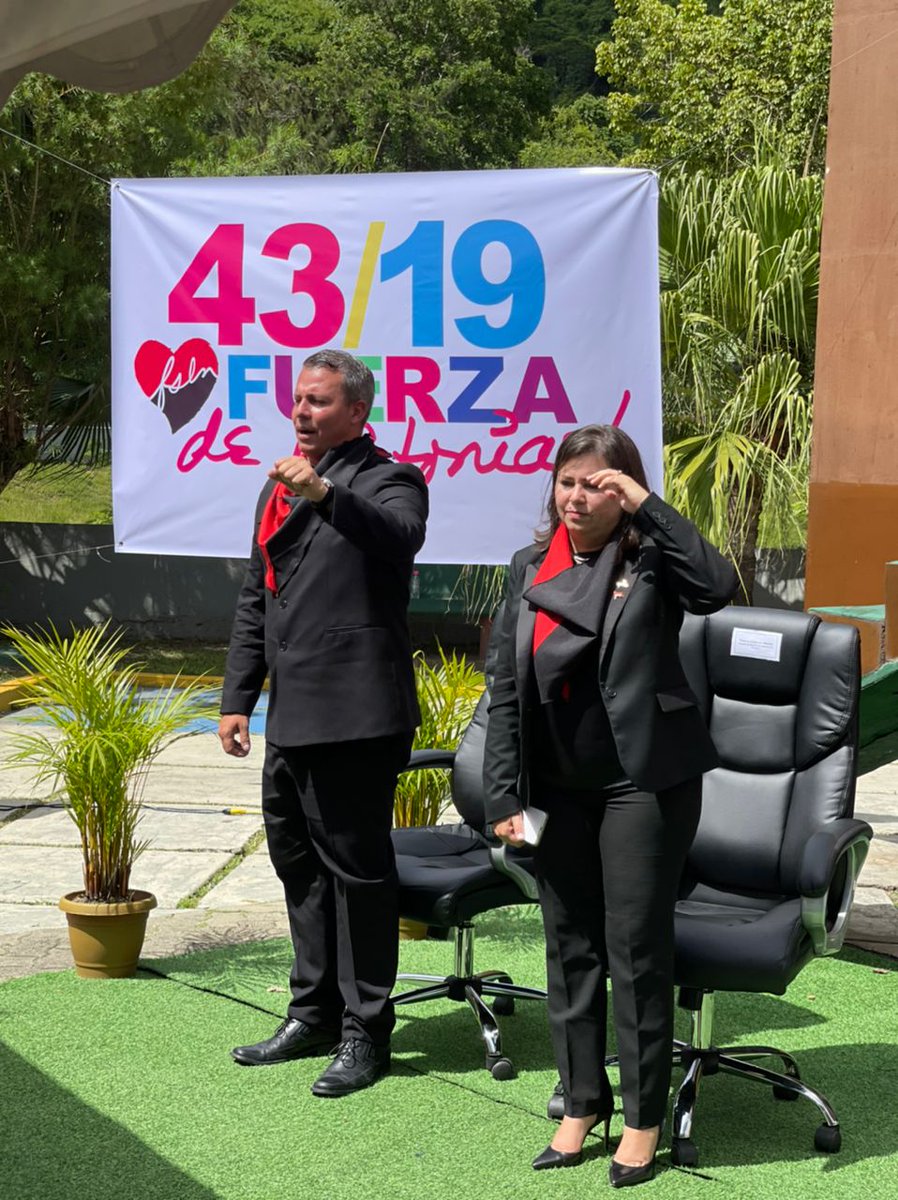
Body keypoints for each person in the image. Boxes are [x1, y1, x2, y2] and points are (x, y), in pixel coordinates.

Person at [483, 424, 737, 1187]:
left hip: (643, 784)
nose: (578, 496)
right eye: (567, 481)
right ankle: (581, 1102)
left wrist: (646, 505)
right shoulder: (530, 566)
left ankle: (642, 1119)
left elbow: (717, 586)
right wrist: (504, 794)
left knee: (634, 950)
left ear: (624, 491)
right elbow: (505, 687)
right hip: (554, 789)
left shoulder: (652, 560)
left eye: (598, 484)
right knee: (568, 946)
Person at [219, 349, 428, 1097]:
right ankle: (313, 1012)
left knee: (358, 875)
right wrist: (237, 696)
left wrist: (325, 492)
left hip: (357, 715)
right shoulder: (276, 487)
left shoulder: (391, 478)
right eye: (299, 399)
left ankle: (367, 1031)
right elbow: (259, 595)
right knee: (297, 865)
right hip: (291, 714)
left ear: (357, 411)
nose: (302, 412)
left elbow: (398, 535)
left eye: (319, 401)